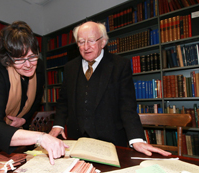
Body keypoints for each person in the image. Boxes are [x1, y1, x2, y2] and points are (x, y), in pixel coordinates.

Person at [49, 21, 170, 157]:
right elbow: (63, 101)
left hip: (111, 142)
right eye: (81, 41)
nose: (86, 47)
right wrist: (58, 125)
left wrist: (136, 139)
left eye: (91, 41)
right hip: (77, 141)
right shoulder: (70, 67)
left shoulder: (120, 65)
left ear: (103, 42)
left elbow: (127, 106)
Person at [0, 21, 67, 164]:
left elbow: (36, 99)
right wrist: (41, 137)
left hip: (18, 131)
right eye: (20, 59)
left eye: (32, 56)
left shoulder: (38, 67)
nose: (28, 65)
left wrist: (24, 119)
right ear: (8, 59)